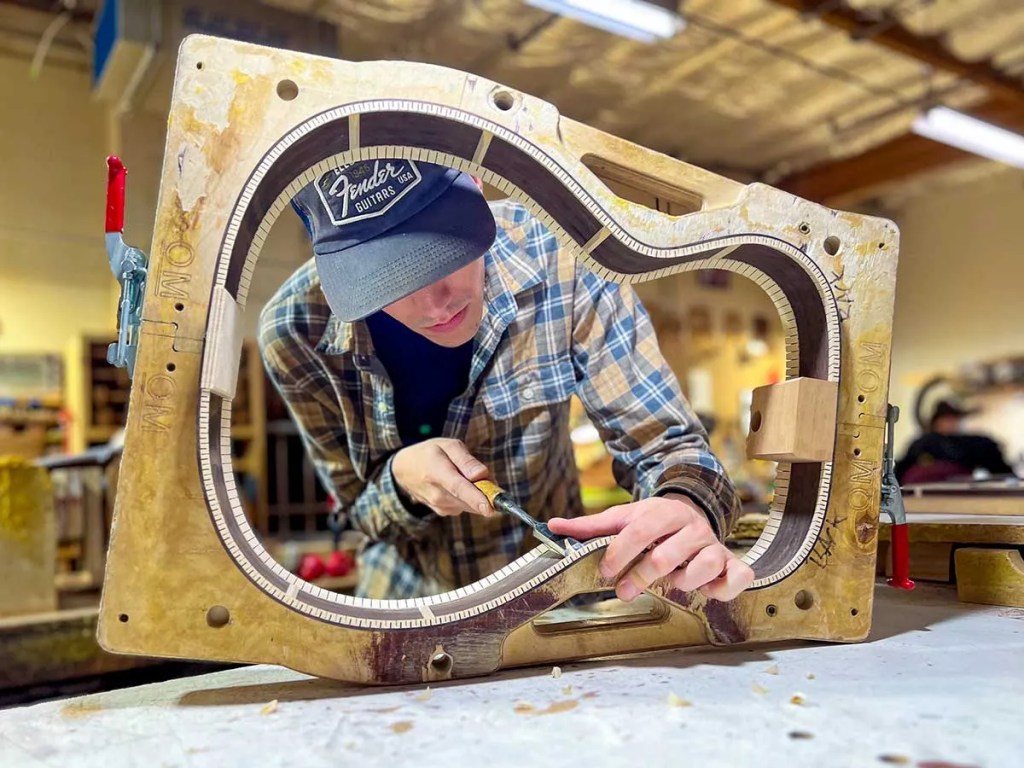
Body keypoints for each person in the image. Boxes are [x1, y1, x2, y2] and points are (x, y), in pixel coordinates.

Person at [258, 157, 753, 603]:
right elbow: (356, 512)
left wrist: (685, 505)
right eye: (386, 280)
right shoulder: (296, 329)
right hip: (405, 607)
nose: (435, 306)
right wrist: (401, 482)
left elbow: (668, 447)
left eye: (441, 252)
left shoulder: (566, 258)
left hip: (554, 603)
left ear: (474, 185)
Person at [895, 399, 1014, 484]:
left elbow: (1000, 470)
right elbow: (903, 470)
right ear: (936, 422)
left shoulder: (974, 443)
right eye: (946, 419)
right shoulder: (923, 443)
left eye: (953, 419)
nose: (950, 423)